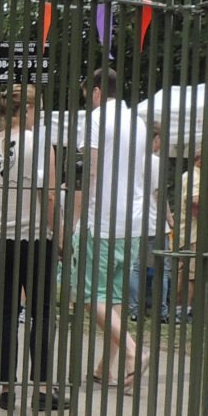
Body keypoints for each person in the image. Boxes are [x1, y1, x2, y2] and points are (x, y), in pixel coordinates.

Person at [0, 84, 59, 410]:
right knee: (42, 313)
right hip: (35, 238)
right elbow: (48, 196)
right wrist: (59, 235)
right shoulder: (40, 145)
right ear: (27, 110)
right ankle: (42, 389)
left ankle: (6, 388)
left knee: (5, 313)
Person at [78, 68, 155, 388]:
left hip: (103, 217)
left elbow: (91, 171)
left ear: (97, 92)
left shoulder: (96, 119)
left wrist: (78, 216)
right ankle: (105, 369)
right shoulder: (138, 122)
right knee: (114, 296)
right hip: (134, 219)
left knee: (86, 292)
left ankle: (134, 351)